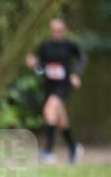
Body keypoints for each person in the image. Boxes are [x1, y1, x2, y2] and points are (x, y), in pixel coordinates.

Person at [26, 17, 85, 164]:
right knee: (60, 119)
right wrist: (34, 65)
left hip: (64, 85)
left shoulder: (70, 46)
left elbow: (82, 58)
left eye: (58, 30)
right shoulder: (45, 46)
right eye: (53, 30)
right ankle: (74, 147)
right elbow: (41, 67)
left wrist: (76, 74)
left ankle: (48, 151)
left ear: (64, 31)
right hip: (50, 86)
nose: (56, 33)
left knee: (49, 110)